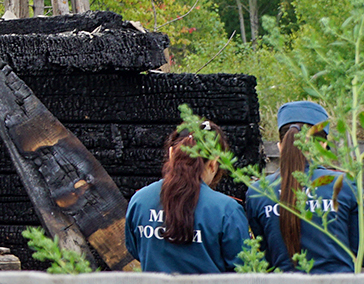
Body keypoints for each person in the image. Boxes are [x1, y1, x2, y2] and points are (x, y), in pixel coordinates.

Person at [243, 100, 359, 273]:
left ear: (280, 146)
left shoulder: (259, 191)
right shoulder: (345, 184)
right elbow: (358, 249)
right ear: (323, 146)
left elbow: (264, 257)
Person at [125, 119, 251, 272]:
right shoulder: (227, 210)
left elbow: (136, 250)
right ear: (214, 162)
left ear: (172, 155)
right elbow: (245, 270)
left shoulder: (140, 201)